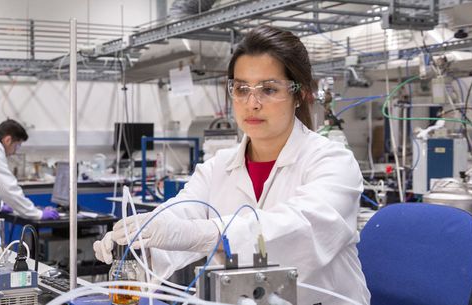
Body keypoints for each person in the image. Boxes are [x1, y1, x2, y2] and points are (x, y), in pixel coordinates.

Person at [93, 26, 370, 304]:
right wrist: (140, 244)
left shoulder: (333, 161)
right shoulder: (217, 167)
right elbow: (182, 214)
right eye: (241, 89)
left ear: (299, 94)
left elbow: (302, 230)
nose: (252, 103)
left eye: (269, 89)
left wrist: (208, 233)